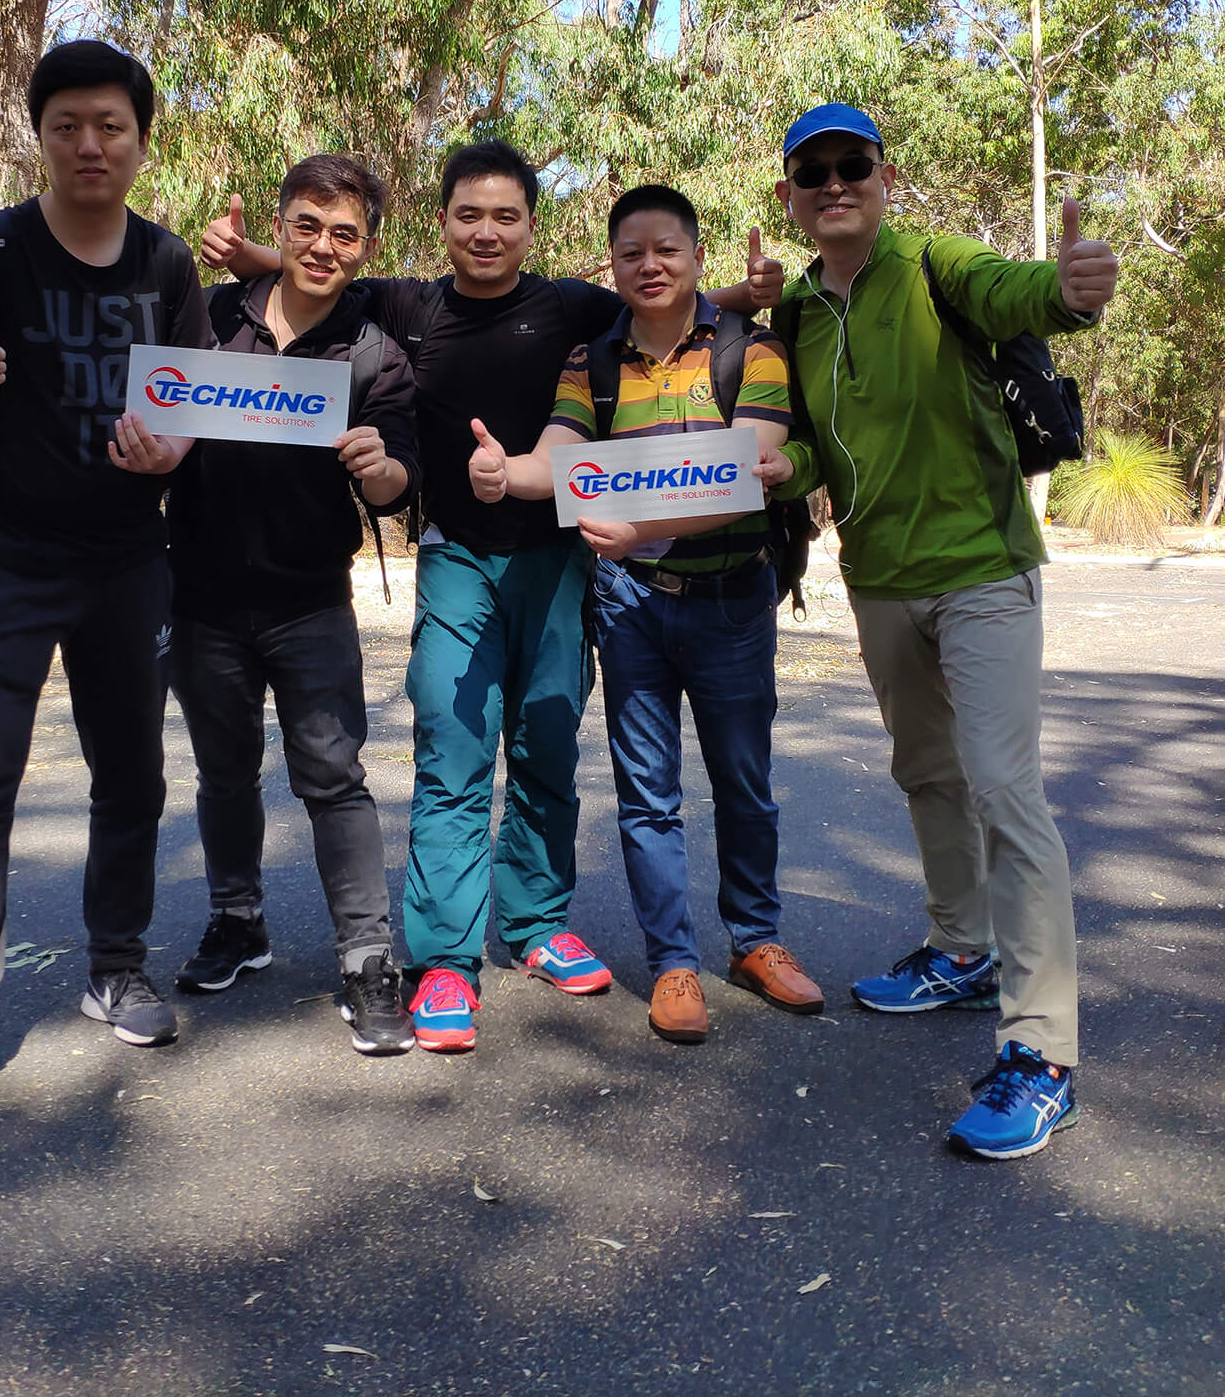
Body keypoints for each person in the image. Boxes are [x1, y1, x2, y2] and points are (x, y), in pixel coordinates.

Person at [200, 144, 783, 1052]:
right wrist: (251, 258)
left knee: (547, 744)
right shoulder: (408, 306)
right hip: (457, 555)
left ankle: (537, 923)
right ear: (442, 223)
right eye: (468, 214)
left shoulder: (572, 307)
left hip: (557, 560)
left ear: (531, 228)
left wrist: (745, 295)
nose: (486, 232)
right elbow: (326, 267)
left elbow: (659, 297)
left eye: (506, 216)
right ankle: (443, 960)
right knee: (454, 749)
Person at [756, 101, 1118, 1159]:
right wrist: (788, 467)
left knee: (1006, 790)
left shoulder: (934, 264)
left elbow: (1016, 290)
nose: (835, 183)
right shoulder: (797, 313)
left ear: (885, 176)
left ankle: (1042, 1053)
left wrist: (1069, 288)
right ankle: (961, 948)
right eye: (813, 171)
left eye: (853, 165)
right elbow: (817, 443)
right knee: (925, 770)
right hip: (879, 577)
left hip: (983, 569)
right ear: (789, 195)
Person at [0, 40, 213, 1131]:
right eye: (66, 124)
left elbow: (190, 402)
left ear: (140, 141)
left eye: (109, 126)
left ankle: (116, 967)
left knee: (131, 777)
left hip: (127, 562)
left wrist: (170, 450)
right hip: (4, 556)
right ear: (40, 135)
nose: (89, 143)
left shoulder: (167, 264)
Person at [466, 185, 823, 1043]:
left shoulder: (752, 350)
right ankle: (672, 962)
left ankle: (756, 941)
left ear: (696, 257)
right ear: (614, 265)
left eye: (667, 250)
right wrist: (506, 475)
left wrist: (635, 529)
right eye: (632, 253)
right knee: (647, 794)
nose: (650, 266)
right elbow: (559, 457)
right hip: (630, 605)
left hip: (732, 598)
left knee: (744, 784)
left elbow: (746, 472)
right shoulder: (591, 361)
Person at [167, 155, 419, 1056]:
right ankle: (238, 922)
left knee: (333, 779)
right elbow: (155, 413)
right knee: (223, 773)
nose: (322, 247)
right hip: (200, 598)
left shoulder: (373, 352)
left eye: (344, 233)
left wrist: (380, 469)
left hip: (310, 604)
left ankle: (367, 960)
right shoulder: (203, 317)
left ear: (367, 248)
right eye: (306, 226)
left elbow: (398, 481)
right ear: (279, 227)